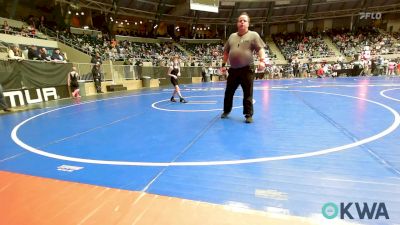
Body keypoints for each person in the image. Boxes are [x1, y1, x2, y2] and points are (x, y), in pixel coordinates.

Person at [220, 12, 266, 123]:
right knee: (228, 92)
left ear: (248, 24)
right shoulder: (232, 36)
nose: (242, 22)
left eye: (244, 20)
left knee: (248, 93)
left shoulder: (253, 35)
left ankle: (248, 115)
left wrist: (262, 61)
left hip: (247, 69)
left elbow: (260, 49)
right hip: (233, 70)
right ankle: (226, 110)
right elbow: (226, 52)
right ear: (237, 23)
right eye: (240, 20)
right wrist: (223, 65)